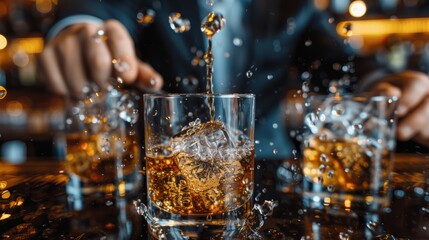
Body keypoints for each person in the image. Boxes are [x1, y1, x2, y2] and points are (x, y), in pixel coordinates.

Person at [38, 0, 429, 159]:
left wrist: (391, 82)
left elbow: (341, 62)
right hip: (169, 177)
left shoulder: (292, 4)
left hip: (270, 169)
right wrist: (81, 29)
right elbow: (100, 11)